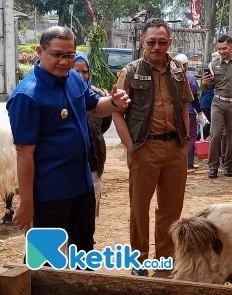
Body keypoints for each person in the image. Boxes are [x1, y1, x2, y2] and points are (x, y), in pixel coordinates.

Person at [7, 26, 130, 257]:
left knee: (83, 248)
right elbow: (24, 155)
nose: (64, 61)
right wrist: (26, 203)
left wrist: (113, 102)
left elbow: (94, 106)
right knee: (44, 258)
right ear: (39, 52)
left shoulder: (73, 78)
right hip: (49, 193)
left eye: (70, 55)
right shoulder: (27, 96)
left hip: (82, 186)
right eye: (57, 54)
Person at [112, 18, 194, 277]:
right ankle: (139, 261)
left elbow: (184, 107)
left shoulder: (179, 70)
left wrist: (186, 141)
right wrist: (131, 147)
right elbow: (116, 113)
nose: (157, 47)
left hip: (175, 148)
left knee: (171, 209)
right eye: (151, 42)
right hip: (144, 148)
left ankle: (164, 261)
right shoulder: (131, 72)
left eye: (162, 42)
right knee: (139, 207)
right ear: (142, 42)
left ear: (170, 43)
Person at [73, 51, 113, 235]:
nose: (81, 76)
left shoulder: (97, 96)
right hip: (66, 167)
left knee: (88, 211)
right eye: (76, 71)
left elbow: (103, 125)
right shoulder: (61, 96)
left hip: (92, 166)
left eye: (85, 71)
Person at [202, 35, 232, 178]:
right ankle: (213, 166)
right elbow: (205, 88)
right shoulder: (213, 64)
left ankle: (228, 164)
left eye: (224, 48)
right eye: (219, 49)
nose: (222, 51)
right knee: (216, 133)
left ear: (231, 46)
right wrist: (204, 83)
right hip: (218, 102)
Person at [174, 54, 202, 169]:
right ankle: (188, 161)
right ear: (186, 65)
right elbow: (194, 97)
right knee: (191, 136)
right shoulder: (189, 78)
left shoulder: (169, 77)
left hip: (174, 112)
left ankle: (176, 161)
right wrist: (199, 112)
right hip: (189, 111)